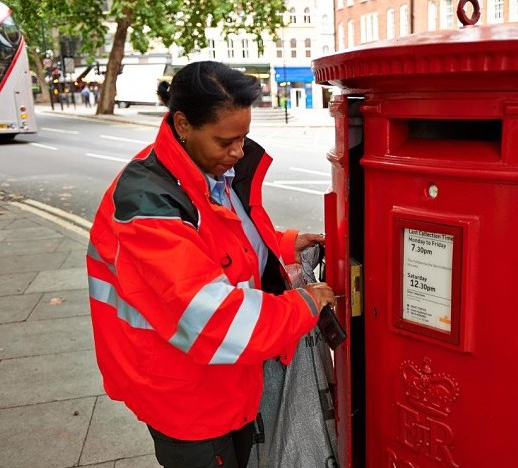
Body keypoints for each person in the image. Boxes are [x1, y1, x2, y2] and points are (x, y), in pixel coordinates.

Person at [86, 61, 336, 468]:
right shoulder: (147, 204)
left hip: (224, 381)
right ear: (183, 124)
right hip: (185, 397)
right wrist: (304, 305)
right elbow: (212, 320)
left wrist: (282, 246)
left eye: (244, 138)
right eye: (225, 141)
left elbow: (222, 248)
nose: (238, 152)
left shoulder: (205, 173)